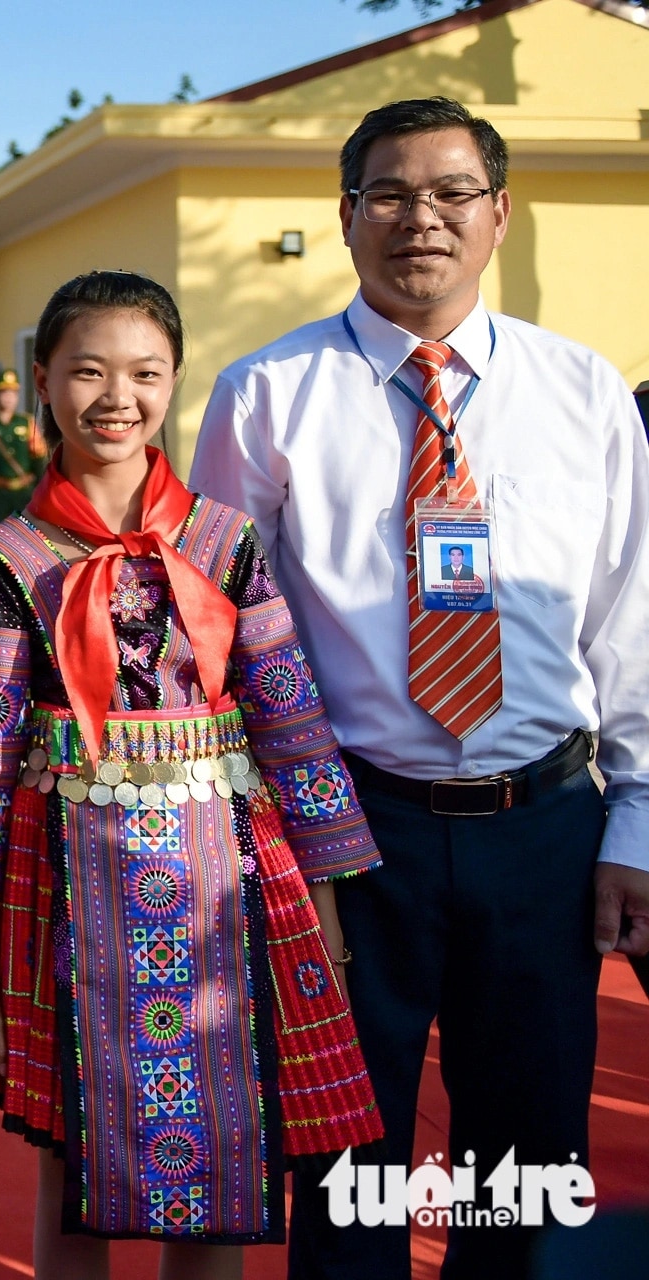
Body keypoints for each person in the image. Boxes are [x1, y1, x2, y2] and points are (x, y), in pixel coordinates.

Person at [189, 97, 649, 1280]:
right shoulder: (264, 394)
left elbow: (629, 622)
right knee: (345, 1159)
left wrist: (637, 821)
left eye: (453, 193)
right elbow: (222, 626)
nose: (421, 219)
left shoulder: (585, 391)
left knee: (524, 1158)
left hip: (545, 827)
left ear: (499, 214)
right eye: (390, 192)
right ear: (346, 216)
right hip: (351, 831)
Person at [0, 271, 384, 1277]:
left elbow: (292, 717)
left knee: (226, 1155)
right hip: (59, 893)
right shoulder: (8, 554)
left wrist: (327, 898)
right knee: (72, 1167)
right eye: (87, 370)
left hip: (228, 882)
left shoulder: (224, 539)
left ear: (175, 381)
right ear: (39, 378)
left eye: (144, 372)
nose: (116, 397)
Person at [0, 368, 45, 525]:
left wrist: (42, 489)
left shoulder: (26, 422)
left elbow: (38, 457)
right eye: (3, 393)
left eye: (13, 393)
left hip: (25, 491)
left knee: (28, 535)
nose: (8, 398)